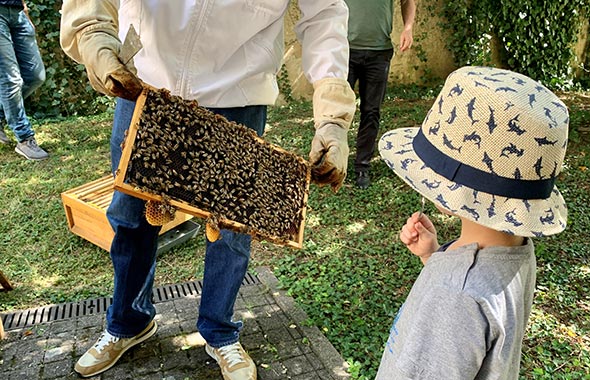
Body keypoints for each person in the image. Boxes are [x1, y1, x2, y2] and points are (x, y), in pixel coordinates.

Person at [59, 1, 355, 379]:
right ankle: (128, 323)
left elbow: (325, 12)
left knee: (231, 232)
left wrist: (333, 113)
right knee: (131, 218)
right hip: (145, 84)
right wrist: (93, 35)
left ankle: (220, 332)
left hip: (237, 99)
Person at [376, 66, 569, 379]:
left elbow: (461, 304)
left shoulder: (456, 296)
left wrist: (447, 274)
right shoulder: (517, 251)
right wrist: (434, 257)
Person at [344, 0, 415, 189]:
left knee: (371, 111)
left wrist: (408, 28)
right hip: (344, 50)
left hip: (379, 53)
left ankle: (362, 167)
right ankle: (334, 162)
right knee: (339, 111)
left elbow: (408, 1)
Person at [0, 0, 48, 160]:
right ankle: (25, 139)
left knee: (36, 76)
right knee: (10, 79)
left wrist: (25, 11)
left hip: (17, 12)